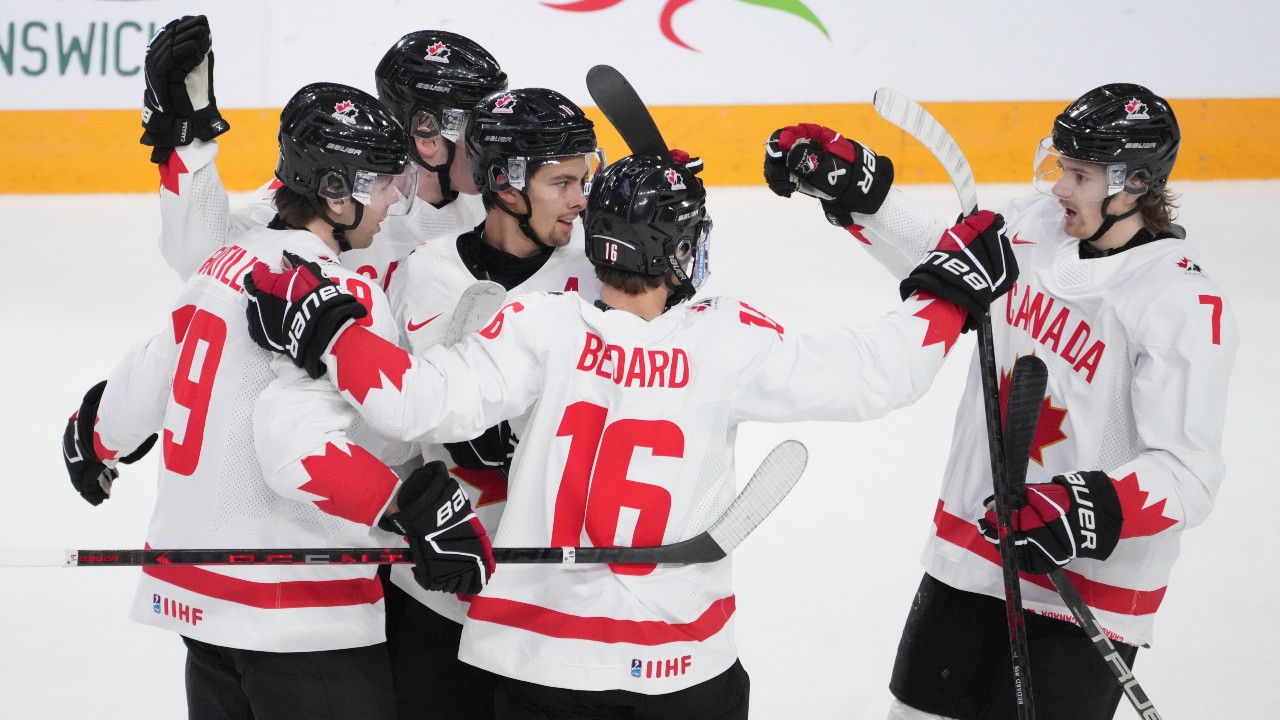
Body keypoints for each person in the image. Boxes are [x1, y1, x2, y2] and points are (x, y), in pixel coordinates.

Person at [239, 150, 1018, 719]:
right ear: (682, 249)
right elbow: (879, 371)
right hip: (679, 664)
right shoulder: (729, 340)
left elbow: (413, 403)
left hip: (542, 663)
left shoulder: (542, 325)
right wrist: (948, 293)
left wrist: (332, 331)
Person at [762, 83, 1239, 720]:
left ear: (1137, 183)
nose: (1059, 187)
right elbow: (958, 267)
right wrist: (861, 199)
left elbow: (1188, 474)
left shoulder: (1182, 302)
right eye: (1060, 165)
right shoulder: (1040, 223)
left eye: (1081, 174)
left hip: (1086, 594)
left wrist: (1082, 504)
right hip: (972, 553)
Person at [61, 82, 490, 720]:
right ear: (336, 192)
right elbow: (308, 451)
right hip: (298, 606)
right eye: (381, 183)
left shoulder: (224, 262)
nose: (395, 197)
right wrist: (410, 507)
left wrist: (96, 436)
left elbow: (157, 366)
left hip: (197, 595)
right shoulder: (343, 295)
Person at [378, 85, 606, 720]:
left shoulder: (597, 279)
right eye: (562, 182)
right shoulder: (423, 271)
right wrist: (398, 507)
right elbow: (386, 428)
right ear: (506, 183)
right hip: (438, 585)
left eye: (582, 180)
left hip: (550, 593)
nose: (580, 200)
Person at [140, 18, 505, 286]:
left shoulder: (504, 207)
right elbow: (203, 259)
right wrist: (187, 139)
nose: (493, 142)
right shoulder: (334, 187)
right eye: (478, 126)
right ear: (426, 133)